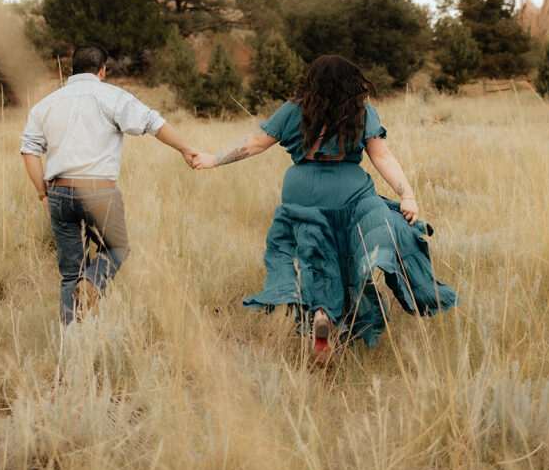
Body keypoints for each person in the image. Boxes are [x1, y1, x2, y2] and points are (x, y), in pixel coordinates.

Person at [192, 54, 458, 361]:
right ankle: (363, 270)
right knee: (371, 234)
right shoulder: (361, 111)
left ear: (311, 81)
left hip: (301, 189)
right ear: (352, 84)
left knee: (316, 253)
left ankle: (321, 313)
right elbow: (381, 156)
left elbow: (254, 142)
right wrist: (407, 195)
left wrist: (213, 159)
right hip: (350, 188)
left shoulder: (293, 110)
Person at [21, 41, 199, 324]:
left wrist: (43, 194)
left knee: (70, 273)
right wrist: (186, 149)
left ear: (72, 71)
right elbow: (153, 123)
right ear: (102, 70)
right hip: (98, 191)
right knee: (116, 248)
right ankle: (92, 283)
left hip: (59, 192)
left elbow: (29, 149)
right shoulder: (112, 97)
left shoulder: (46, 104)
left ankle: (73, 344)